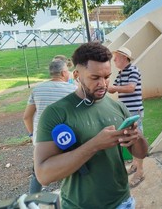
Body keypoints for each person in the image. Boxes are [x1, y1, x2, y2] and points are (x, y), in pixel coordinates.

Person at [34, 41, 148, 208]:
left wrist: (136, 137)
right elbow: (44, 174)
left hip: (123, 202)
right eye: (95, 77)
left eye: (107, 77)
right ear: (76, 75)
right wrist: (94, 145)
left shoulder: (117, 107)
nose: (103, 84)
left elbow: (142, 153)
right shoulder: (56, 114)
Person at [23, 58, 77, 194]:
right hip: (65, 138)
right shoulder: (73, 89)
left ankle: (32, 201)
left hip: (41, 139)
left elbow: (27, 116)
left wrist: (32, 134)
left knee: (38, 171)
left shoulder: (37, 89)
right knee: (67, 169)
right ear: (64, 73)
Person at [108, 46, 145, 188]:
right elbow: (114, 87)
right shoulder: (121, 72)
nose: (114, 60)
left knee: (136, 139)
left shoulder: (133, 70)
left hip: (134, 113)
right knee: (130, 139)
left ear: (124, 58)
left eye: (116, 57)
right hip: (126, 112)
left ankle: (140, 172)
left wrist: (113, 88)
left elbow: (131, 88)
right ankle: (135, 165)